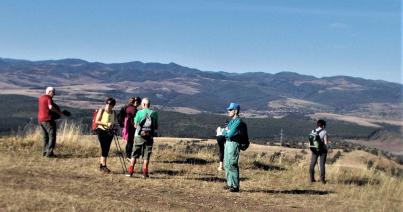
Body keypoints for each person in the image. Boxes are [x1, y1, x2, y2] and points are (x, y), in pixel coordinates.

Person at [126, 97, 158, 178]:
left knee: (135, 154)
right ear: (149, 105)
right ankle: (145, 173)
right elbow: (156, 126)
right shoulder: (154, 113)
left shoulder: (139, 113)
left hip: (138, 136)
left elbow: (135, 125)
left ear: (143, 104)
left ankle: (130, 172)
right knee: (146, 155)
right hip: (149, 137)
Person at [219, 102, 243, 192]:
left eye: (230, 110)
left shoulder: (238, 122)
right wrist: (226, 131)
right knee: (227, 164)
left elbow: (229, 134)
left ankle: (235, 186)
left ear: (236, 111)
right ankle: (230, 184)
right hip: (228, 143)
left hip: (233, 144)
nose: (228, 111)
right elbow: (227, 131)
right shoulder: (232, 121)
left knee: (232, 164)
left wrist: (225, 132)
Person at [38, 87, 65, 158]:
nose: (54, 94)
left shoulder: (41, 98)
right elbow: (50, 107)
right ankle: (49, 153)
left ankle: (44, 152)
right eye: (53, 92)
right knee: (52, 136)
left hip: (41, 120)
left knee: (45, 137)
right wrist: (59, 112)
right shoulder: (48, 98)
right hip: (48, 119)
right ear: (49, 92)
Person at [95, 97, 117, 174]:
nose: (108, 105)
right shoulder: (102, 110)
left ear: (113, 105)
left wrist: (113, 127)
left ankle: (102, 165)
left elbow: (114, 122)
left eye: (110, 104)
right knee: (104, 147)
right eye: (107, 103)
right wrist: (107, 124)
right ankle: (103, 165)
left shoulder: (114, 112)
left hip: (109, 132)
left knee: (106, 148)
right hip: (101, 130)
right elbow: (96, 121)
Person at [309, 119, 329, 184]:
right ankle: (322, 180)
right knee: (322, 164)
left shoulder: (313, 131)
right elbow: (325, 143)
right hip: (322, 150)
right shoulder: (324, 132)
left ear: (317, 125)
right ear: (323, 125)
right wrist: (327, 149)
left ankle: (312, 178)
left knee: (312, 164)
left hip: (314, 150)